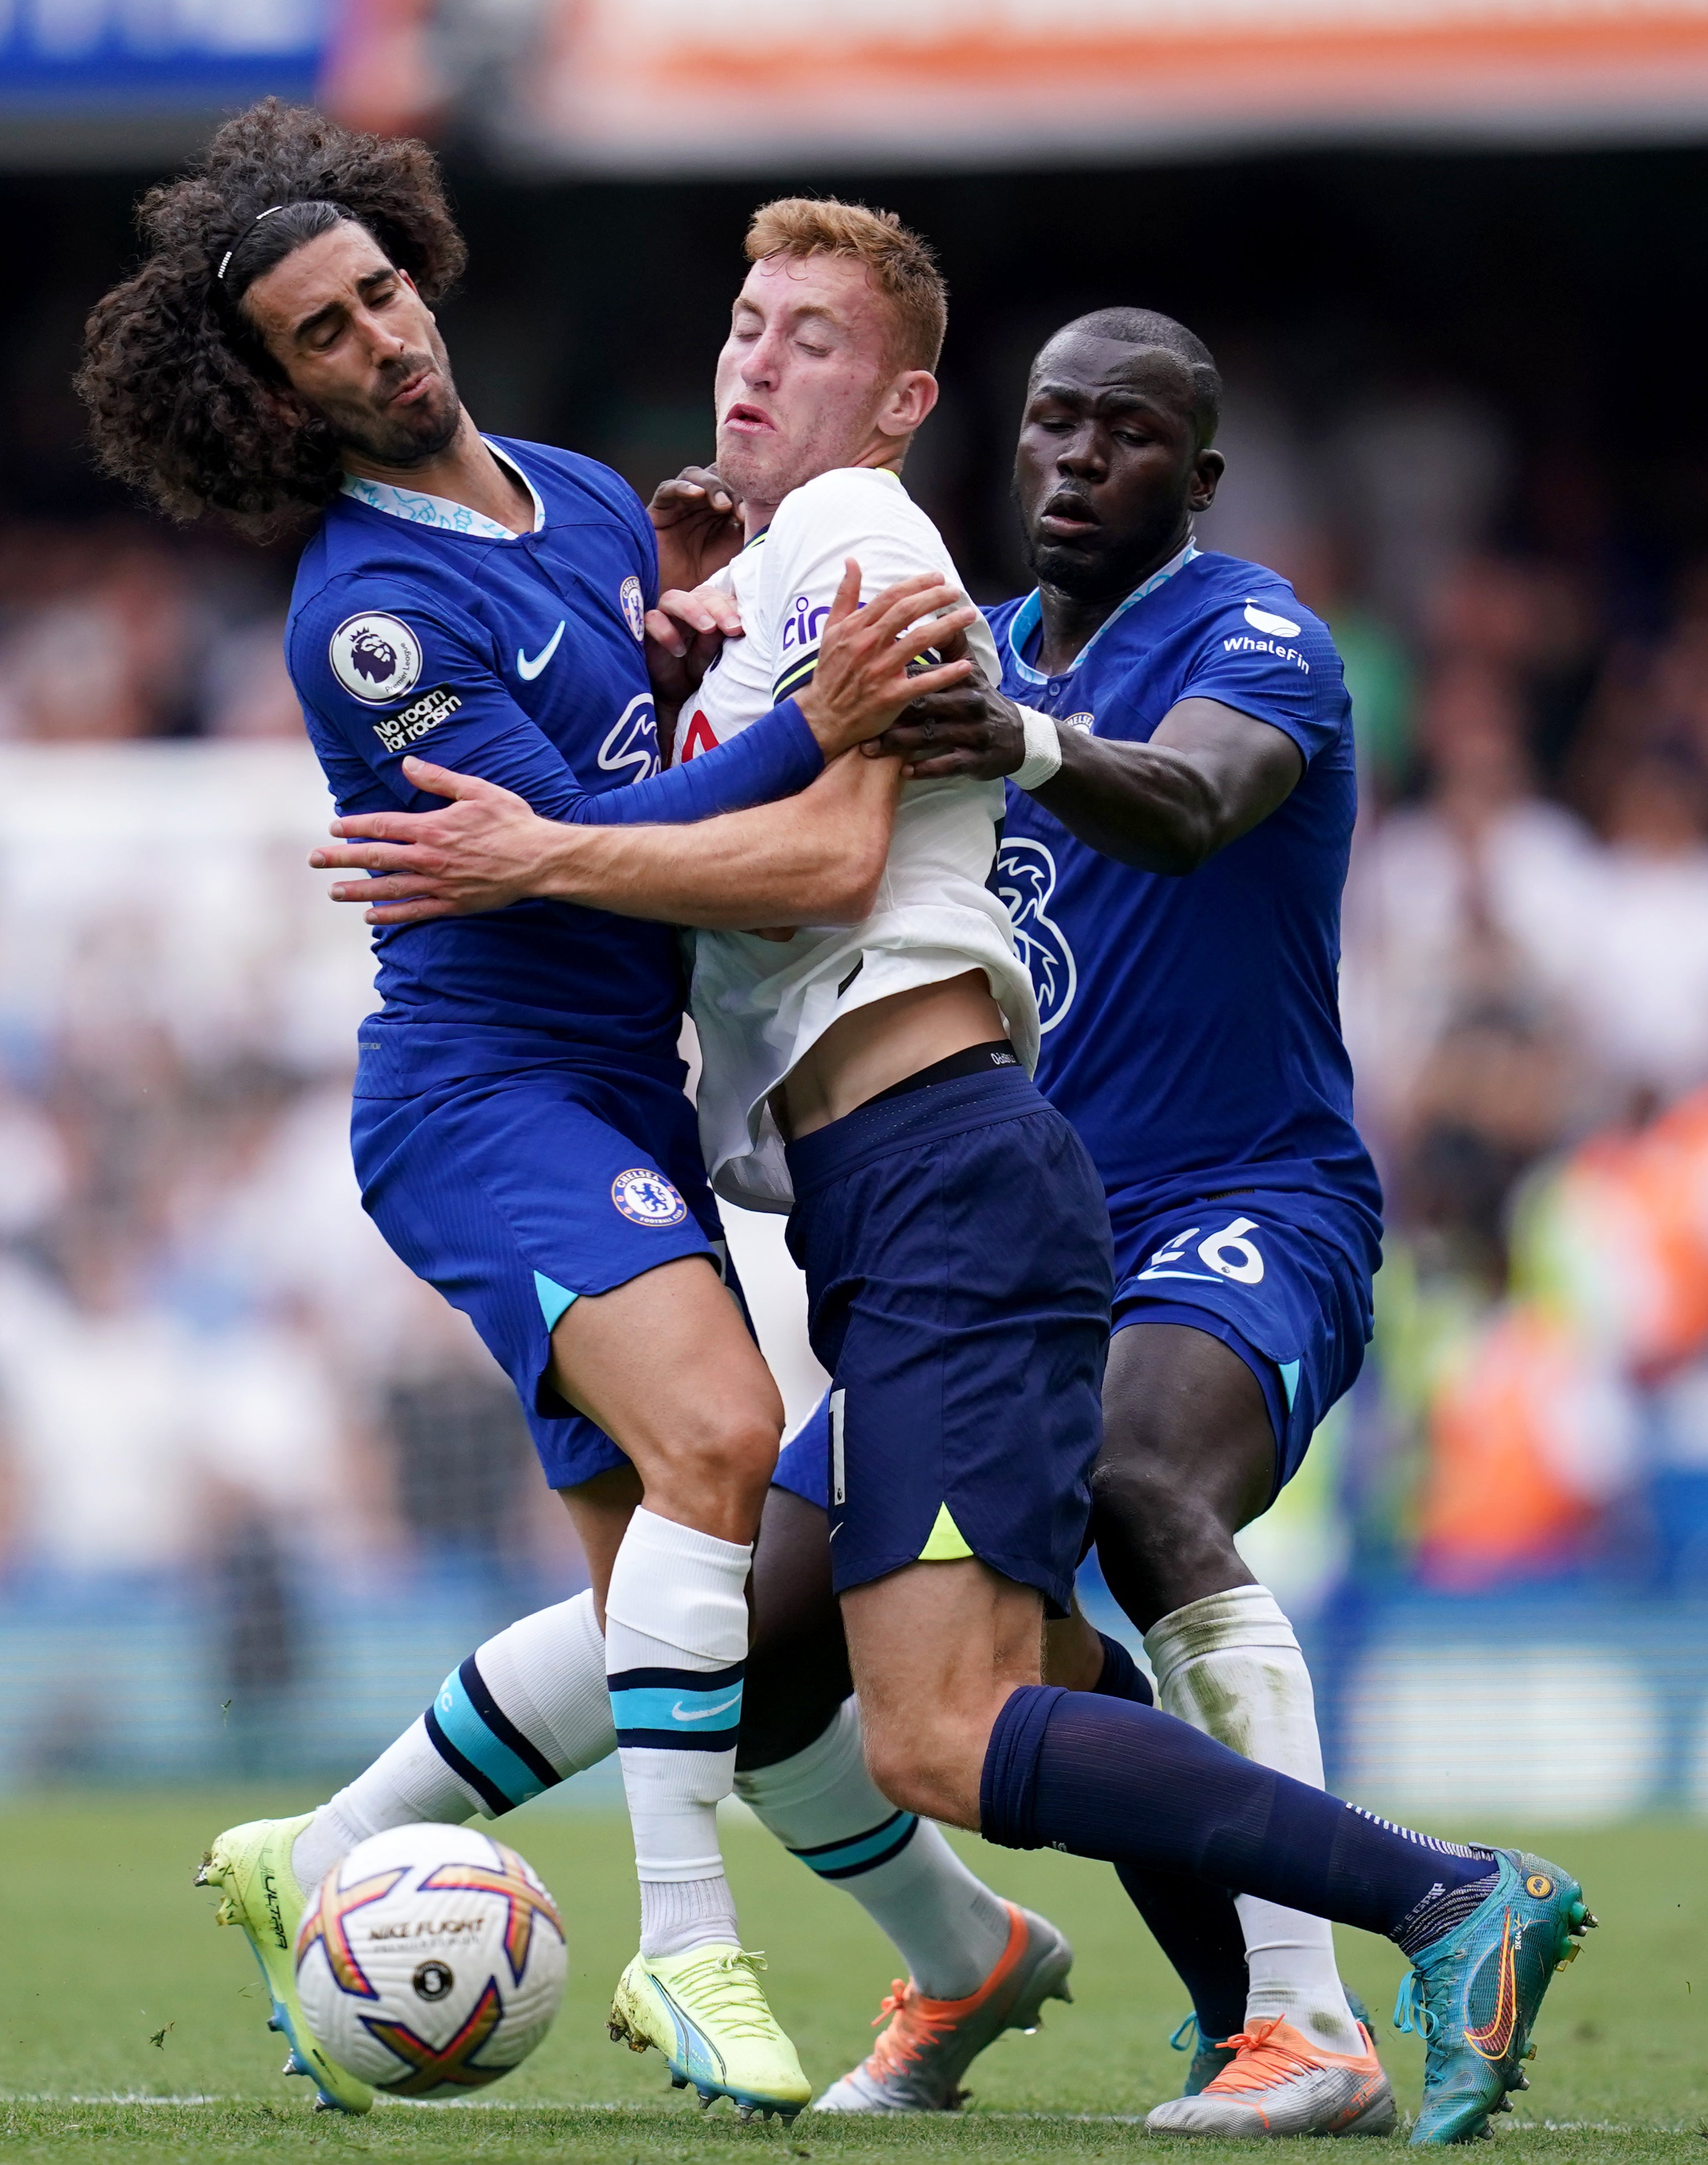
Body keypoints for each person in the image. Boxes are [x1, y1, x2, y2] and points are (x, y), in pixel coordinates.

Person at [315, 235, 1596, 2145]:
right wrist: (696, 628)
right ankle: (1147, 1978)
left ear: (1196, 471)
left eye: (1129, 431)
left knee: (1082, 1556)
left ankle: (1356, 1974)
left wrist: (543, 846)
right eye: (1059, 423)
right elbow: (790, 732)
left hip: (1190, 1194)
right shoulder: (930, 618)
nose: (1078, 458)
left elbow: (1168, 802)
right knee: (762, 1650)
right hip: (951, 1207)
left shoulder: (1225, 629)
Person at [76, 105, 975, 2118]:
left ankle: (948, 1949)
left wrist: (697, 642)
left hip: (621, 1088)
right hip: (487, 1094)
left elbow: (628, 770)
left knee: (684, 1625)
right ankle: (688, 1956)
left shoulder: (575, 495)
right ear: (274, 396)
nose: (383, 342)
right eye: (322, 336)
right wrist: (811, 730)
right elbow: (563, 848)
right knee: (730, 1447)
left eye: (382, 291)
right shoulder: (365, 617)